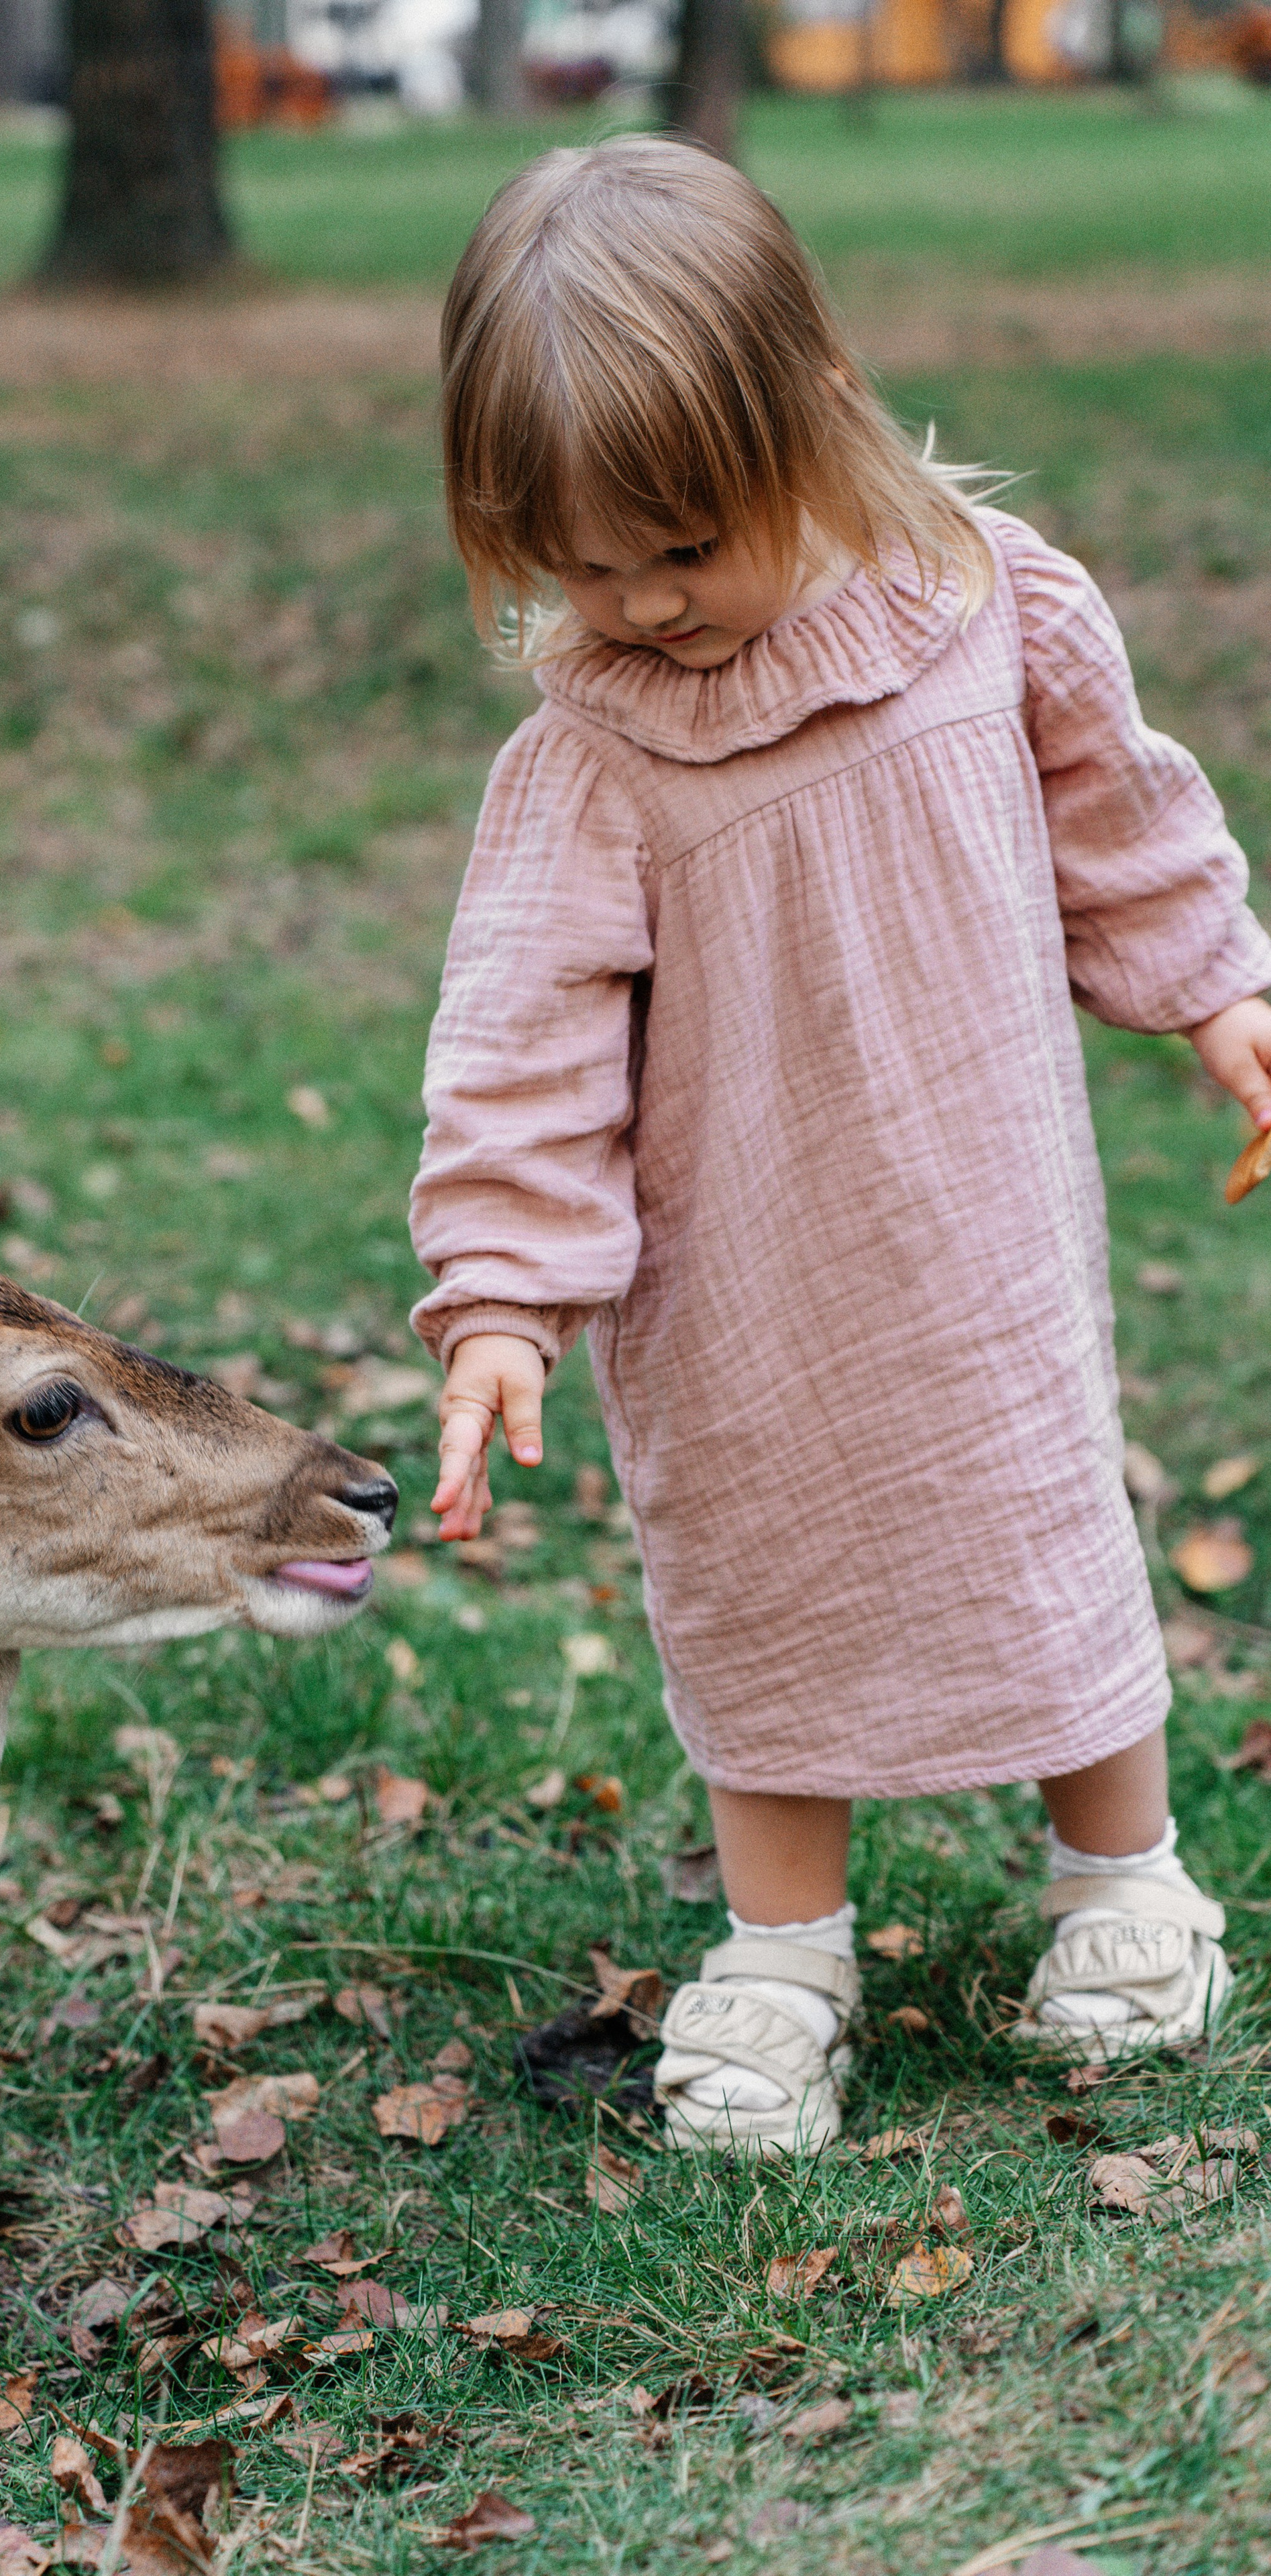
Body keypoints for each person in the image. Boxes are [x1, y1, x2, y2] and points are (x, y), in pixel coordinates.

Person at [408, 136, 1271, 2157]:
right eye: (580, 566)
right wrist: (506, 1299)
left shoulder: (990, 614)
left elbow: (1121, 827)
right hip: (738, 1271)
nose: (636, 607)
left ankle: (1120, 1875)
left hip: (975, 1213)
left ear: (815, 427)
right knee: (764, 1566)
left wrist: (1224, 994)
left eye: (684, 548)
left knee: (1041, 1502)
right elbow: (522, 1041)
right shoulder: (590, 757)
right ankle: (789, 1942)